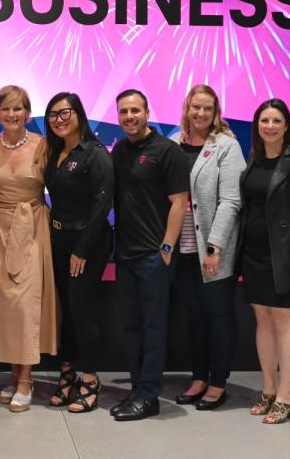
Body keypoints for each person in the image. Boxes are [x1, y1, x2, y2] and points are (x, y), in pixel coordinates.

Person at [237, 98, 290, 424]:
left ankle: (287, 394)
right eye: (264, 120)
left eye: (275, 120)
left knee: (284, 321)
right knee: (263, 321)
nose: (269, 126)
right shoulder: (254, 159)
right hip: (254, 255)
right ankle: (268, 389)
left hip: (286, 256)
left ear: (287, 125)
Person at [0, 85, 58, 412]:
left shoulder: (43, 146)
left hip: (33, 229)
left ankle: (26, 379)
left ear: (28, 112)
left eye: (18, 109)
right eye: (5, 109)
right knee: (7, 305)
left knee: (26, 305)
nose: (12, 115)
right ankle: (13, 375)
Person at [110, 89, 189, 421]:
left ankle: (149, 396)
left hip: (154, 257)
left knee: (154, 327)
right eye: (124, 111)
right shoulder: (119, 151)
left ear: (146, 112)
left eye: (135, 110)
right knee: (132, 327)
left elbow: (179, 202)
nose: (130, 116)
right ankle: (137, 390)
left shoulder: (167, 151)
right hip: (125, 256)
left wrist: (167, 249)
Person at [169, 85, 246, 411]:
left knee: (218, 316)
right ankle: (198, 377)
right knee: (195, 317)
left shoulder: (226, 146)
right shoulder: (172, 144)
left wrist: (214, 247)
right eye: (195, 107)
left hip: (212, 250)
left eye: (207, 109)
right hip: (181, 248)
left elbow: (231, 201)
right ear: (187, 108)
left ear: (216, 113)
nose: (200, 114)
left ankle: (217, 383)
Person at [42, 92, 113, 413]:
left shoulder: (95, 154)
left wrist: (82, 249)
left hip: (88, 243)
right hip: (60, 241)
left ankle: (90, 378)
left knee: (82, 310)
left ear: (79, 114)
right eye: (53, 115)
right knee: (67, 311)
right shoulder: (56, 151)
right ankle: (67, 372)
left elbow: (102, 205)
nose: (59, 119)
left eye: (65, 112)